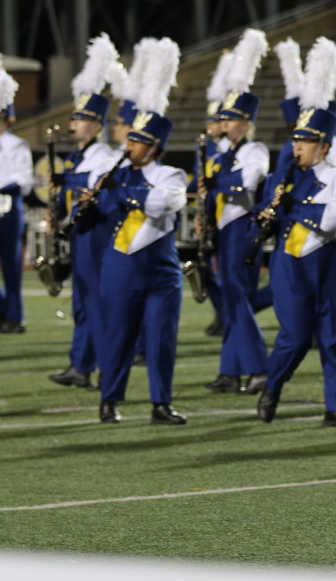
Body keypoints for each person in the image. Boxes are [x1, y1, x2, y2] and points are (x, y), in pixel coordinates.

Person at [76, 38, 189, 425]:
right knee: (117, 336)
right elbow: (92, 220)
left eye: (139, 141)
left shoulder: (170, 175)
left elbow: (162, 204)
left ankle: (161, 403)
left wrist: (120, 192)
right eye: (131, 138)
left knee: (160, 341)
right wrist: (84, 207)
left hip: (160, 270)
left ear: (154, 146)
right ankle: (109, 400)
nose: (130, 145)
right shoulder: (110, 174)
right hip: (120, 266)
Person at [255, 59, 336, 428]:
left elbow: (333, 220)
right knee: (295, 336)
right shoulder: (279, 179)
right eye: (296, 140)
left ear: (324, 145)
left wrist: (293, 207)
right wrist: (265, 218)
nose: (298, 147)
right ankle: (273, 385)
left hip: (329, 263)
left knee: (335, 339)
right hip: (290, 265)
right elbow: (264, 221)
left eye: (306, 141)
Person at [48, 62, 122, 389]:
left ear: (95, 125)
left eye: (79, 119)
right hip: (79, 233)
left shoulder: (102, 155)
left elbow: (93, 191)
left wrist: (67, 184)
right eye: (74, 117)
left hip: (95, 233)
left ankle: (97, 366)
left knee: (94, 301)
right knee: (81, 301)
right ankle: (80, 363)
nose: (73, 123)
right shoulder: (77, 157)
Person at [200, 88, 272, 394]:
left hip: (243, 228)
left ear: (246, 122)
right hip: (223, 229)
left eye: (231, 119)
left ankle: (259, 368)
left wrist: (218, 183)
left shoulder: (254, 150)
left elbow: (249, 181)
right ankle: (230, 371)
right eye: (223, 119)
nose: (224, 123)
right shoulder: (220, 153)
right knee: (233, 301)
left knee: (237, 299)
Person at [0, 68, 34, 333]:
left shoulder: (17, 145)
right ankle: (3, 310)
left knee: (11, 264)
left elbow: (24, 180)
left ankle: (15, 316)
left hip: (8, 205)